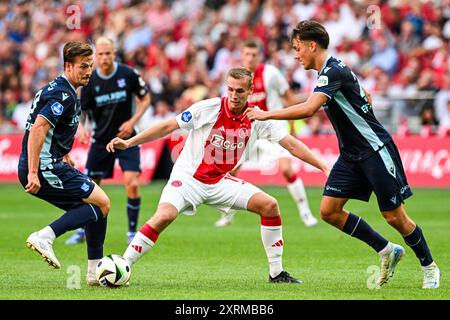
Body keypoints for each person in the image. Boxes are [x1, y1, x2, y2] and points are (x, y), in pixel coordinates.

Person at [246, 20, 440, 289]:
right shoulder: (333, 70)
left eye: (297, 47)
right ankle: (387, 250)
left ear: (312, 45)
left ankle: (429, 267)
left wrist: (266, 114)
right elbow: (365, 94)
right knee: (329, 210)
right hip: (351, 156)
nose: (295, 53)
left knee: (395, 217)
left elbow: (309, 109)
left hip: (374, 150)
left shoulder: (332, 71)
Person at [106, 67, 330, 283]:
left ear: (250, 92)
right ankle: (122, 265)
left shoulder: (258, 119)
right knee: (164, 215)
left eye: (239, 91)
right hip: (187, 179)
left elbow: (291, 145)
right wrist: (130, 142)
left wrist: (323, 167)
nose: (233, 95)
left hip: (219, 182)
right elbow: (168, 126)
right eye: (230, 89)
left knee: (269, 205)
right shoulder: (209, 108)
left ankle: (276, 273)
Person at [19, 42, 110, 286]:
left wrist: (63, 152)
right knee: (102, 203)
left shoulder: (64, 89)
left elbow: (50, 130)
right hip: (44, 166)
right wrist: (33, 172)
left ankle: (94, 273)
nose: (88, 71)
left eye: (90, 66)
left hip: (51, 160)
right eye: (83, 66)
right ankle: (44, 236)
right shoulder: (63, 95)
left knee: (98, 205)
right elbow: (38, 128)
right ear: (68, 66)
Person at [214, 39, 318, 228]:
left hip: (272, 128)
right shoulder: (236, 78)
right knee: (230, 171)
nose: (250, 58)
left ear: (259, 56)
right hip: (247, 131)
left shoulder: (271, 73)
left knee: (286, 169)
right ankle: (227, 215)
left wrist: (293, 128)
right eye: (246, 54)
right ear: (241, 56)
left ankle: (306, 213)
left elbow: (289, 100)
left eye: (254, 55)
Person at [65, 37, 151, 245]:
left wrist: (132, 121)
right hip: (101, 141)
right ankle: (83, 231)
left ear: (114, 53)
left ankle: (131, 232)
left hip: (126, 139)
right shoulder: (90, 79)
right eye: (100, 54)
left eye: (108, 53)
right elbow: (83, 110)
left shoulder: (128, 74)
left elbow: (145, 98)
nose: (104, 57)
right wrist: (83, 127)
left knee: (132, 183)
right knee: (90, 189)